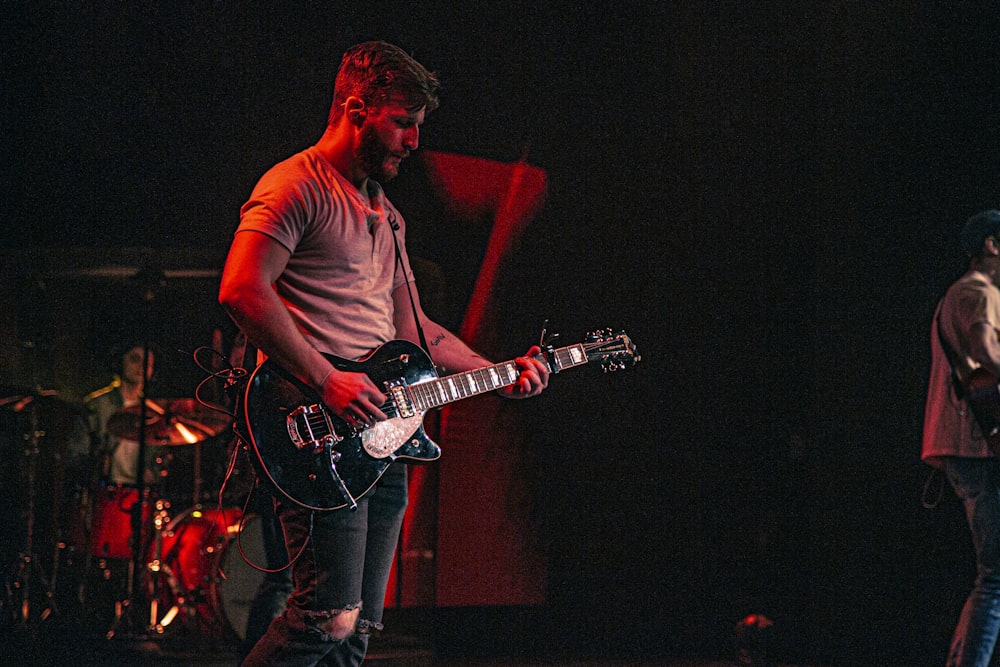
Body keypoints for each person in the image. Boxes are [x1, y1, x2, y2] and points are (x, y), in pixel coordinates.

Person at [218, 41, 550, 666]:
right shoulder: (295, 186)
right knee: (323, 622)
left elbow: (417, 331)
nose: (413, 142)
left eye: (418, 127)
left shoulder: (388, 215)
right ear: (356, 109)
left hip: (385, 435)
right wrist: (327, 380)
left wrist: (497, 373)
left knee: (359, 633)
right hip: (317, 428)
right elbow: (241, 288)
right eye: (402, 123)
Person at [923, 209, 1000, 667]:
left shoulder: (961, 293)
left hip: (966, 445)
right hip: (978, 445)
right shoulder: (977, 291)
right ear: (992, 245)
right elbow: (987, 357)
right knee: (995, 579)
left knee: (992, 578)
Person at [84, 343, 158, 487]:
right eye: (135, 359)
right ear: (120, 361)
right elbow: (77, 453)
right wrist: (98, 464)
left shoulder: (153, 411)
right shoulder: (98, 405)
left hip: (138, 492)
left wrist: (152, 472)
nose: (141, 367)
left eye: (147, 364)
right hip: (104, 489)